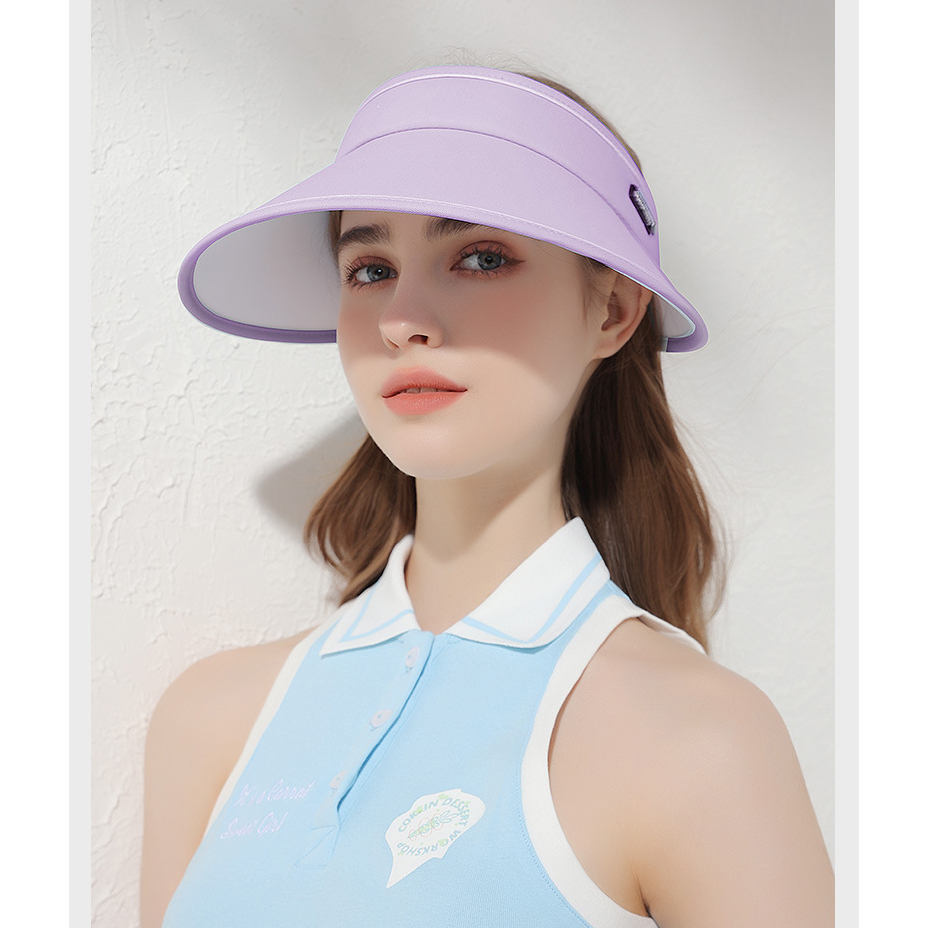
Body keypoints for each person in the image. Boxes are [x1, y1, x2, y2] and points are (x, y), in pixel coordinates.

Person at [141, 65, 834, 927]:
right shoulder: (209, 719)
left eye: (480, 258)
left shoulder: (703, 743)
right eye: (370, 268)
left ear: (613, 313)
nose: (403, 319)